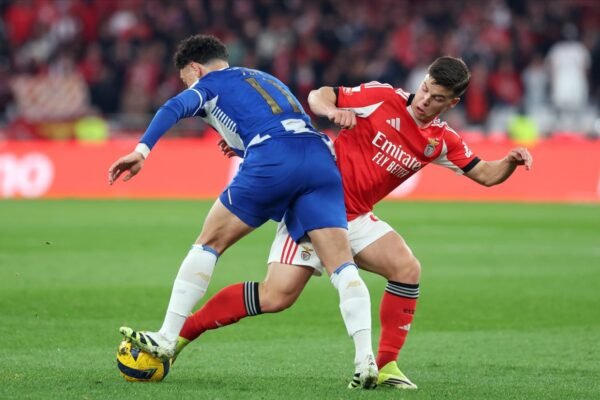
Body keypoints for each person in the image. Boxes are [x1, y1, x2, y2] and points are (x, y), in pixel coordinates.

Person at [173, 56, 533, 389]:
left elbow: (486, 175)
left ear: (452, 103)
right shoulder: (382, 98)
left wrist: (510, 162)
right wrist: (333, 110)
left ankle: (386, 366)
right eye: (425, 88)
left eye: (437, 98)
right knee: (276, 296)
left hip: (356, 217)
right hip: (314, 204)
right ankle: (178, 336)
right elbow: (319, 94)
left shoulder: (441, 141)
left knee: (407, 268)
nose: (425, 100)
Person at [107, 34, 378, 389]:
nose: (187, 85)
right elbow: (276, 120)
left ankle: (167, 337)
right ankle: (365, 359)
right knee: (341, 266)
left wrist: (141, 151)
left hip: (273, 158)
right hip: (320, 160)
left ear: (195, 69)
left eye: (186, 79)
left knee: (209, 242)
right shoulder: (266, 78)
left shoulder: (209, 84)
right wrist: (240, 147)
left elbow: (172, 108)